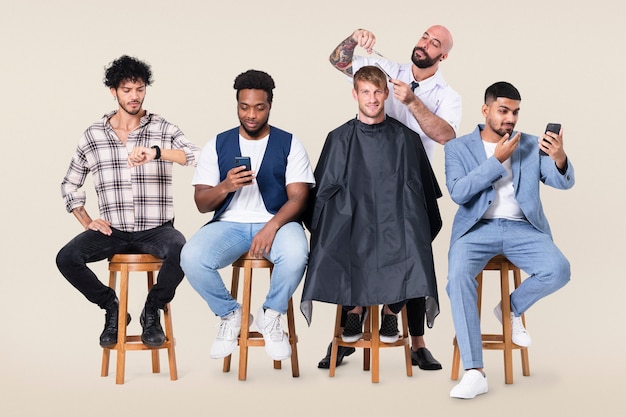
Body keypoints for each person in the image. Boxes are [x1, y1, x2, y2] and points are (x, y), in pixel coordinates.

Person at [318, 25, 461, 370]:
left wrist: (412, 101)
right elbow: (339, 61)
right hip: (362, 177)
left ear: (442, 56)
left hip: (409, 180)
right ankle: (349, 327)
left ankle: (413, 337)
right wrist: (355, 39)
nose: (425, 44)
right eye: (425, 36)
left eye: (435, 44)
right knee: (347, 228)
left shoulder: (447, 94)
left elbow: (447, 136)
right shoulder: (388, 71)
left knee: (412, 238)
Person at [56, 55, 200, 349]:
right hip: (114, 230)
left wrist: (157, 152)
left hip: (157, 228)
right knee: (66, 258)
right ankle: (113, 309)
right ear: (113, 91)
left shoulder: (163, 128)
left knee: (183, 251)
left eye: (140, 89)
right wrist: (87, 221)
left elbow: (198, 156)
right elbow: (70, 183)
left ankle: (152, 309)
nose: (135, 96)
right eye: (127, 90)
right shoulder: (93, 136)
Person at [301, 66, 443, 356]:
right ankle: (354, 311)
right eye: (365, 92)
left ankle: (391, 314)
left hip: (395, 221)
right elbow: (322, 191)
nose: (372, 98)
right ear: (354, 94)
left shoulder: (406, 138)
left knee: (414, 244)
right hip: (353, 221)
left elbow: (423, 192)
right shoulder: (338, 138)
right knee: (334, 239)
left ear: (387, 93)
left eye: (378, 91)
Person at [445, 81, 574, 399]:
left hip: (523, 229)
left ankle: (510, 309)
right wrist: (495, 161)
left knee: (559, 269)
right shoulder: (457, 148)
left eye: (515, 112)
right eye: (503, 111)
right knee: (458, 276)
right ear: (486, 110)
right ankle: (475, 371)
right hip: (476, 229)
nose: (510, 118)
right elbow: (458, 192)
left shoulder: (531, 144)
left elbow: (562, 182)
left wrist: (558, 157)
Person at [180, 69, 315, 362]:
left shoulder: (290, 143)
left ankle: (272, 313)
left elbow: (299, 197)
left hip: (279, 221)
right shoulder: (217, 144)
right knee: (191, 256)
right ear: (237, 105)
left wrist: (272, 226)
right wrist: (226, 185)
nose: (251, 114)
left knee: (296, 254)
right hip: (230, 224)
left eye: (259, 107)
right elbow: (202, 203)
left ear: (270, 105)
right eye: (244, 107)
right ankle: (231, 314)